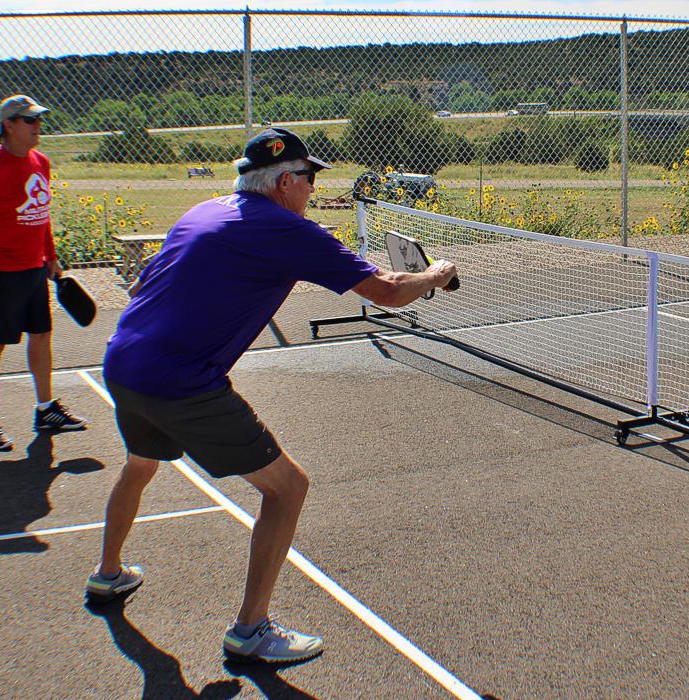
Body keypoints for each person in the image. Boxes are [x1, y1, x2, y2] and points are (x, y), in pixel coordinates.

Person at [86, 128, 457, 663]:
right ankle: (251, 631)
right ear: (285, 182)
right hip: (182, 381)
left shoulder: (204, 211)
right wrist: (437, 275)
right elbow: (389, 292)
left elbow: (143, 285)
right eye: (309, 178)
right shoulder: (289, 230)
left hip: (124, 363)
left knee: (140, 465)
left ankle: (108, 575)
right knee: (287, 488)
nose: (312, 189)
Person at [0, 94, 86, 452]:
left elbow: (40, 214)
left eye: (38, 119)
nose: (37, 126)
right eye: (30, 120)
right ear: (9, 125)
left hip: (33, 270)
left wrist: (50, 256)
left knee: (42, 335)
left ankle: (46, 410)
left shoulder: (40, 161)